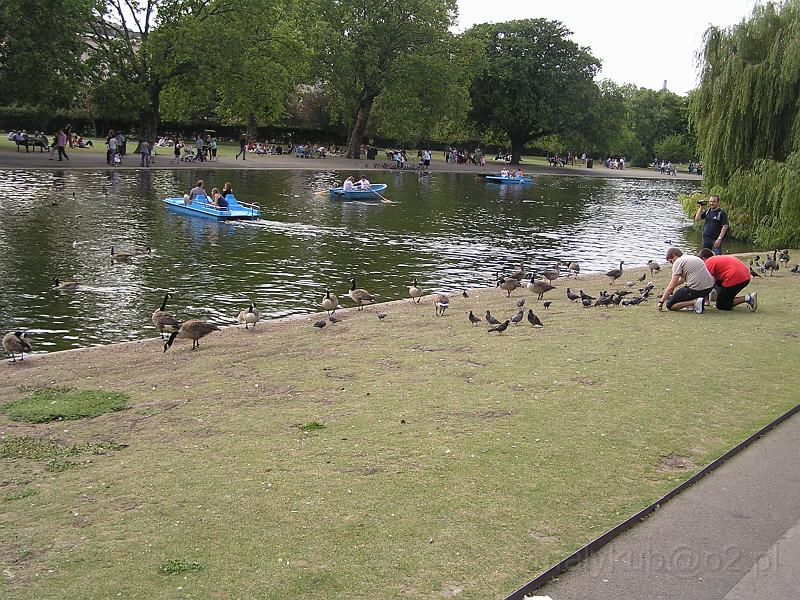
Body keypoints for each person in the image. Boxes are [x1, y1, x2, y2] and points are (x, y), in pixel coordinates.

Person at [657, 248, 716, 314]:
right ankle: (697, 301)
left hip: (696, 289)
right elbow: (682, 280)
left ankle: (695, 302)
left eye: (671, 261)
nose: (672, 264)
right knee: (683, 292)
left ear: (674, 256)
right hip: (709, 287)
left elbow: (671, 285)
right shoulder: (691, 257)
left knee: (669, 305)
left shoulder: (678, 262)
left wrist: (661, 301)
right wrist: (672, 287)